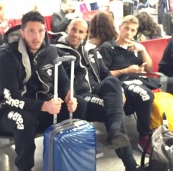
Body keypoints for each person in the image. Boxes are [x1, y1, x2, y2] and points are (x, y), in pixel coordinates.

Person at [0, 11, 87, 171]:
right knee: (25, 121)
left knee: (81, 104)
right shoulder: (6, 55)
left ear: (45, 31)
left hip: (42, 105)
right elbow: (9, 97)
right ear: (22, 33)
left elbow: (63, 81)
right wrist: (44, 106)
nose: (37, 36)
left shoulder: (50, 51)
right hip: (8, 108)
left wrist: (70, 96)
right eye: (31, 31)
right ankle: (24, 167)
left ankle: (66, 159)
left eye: (41, 31)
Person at [99, 15, 173, 150]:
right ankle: (144, 136)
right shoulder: (108, 47)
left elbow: (149, 69)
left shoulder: (136, 46)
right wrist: (126, 70)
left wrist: (142, 50)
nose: (129, 33)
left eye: (133, 30)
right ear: (119, 28)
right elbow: (104, 75)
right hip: (123, 82)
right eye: (126, 29)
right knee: (146, 96)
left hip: (144, 78)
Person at [55, 18, 142, 171]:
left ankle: (115, 132)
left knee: (113, 82)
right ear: (67, 28)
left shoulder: (91, 50)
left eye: (80, 32)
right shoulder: (57, 50)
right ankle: (131, 165)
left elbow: (106, 74)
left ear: (86, 34)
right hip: (79, 96)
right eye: (73, 29)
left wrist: (120, 90)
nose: (76, 34)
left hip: (96, 89)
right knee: (111, 110)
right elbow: (61, 82)